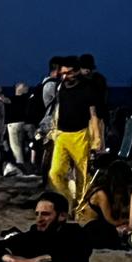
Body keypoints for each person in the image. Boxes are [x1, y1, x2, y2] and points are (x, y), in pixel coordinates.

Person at [47, 57, 100, 205]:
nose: (65, 76)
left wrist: (97, 138)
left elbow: (93, 115)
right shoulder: (60, 87)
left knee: (82, 175)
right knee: (55, 173)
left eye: (68, 73)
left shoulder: (87, 88)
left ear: (77, 72)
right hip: (62, 135)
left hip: (80, 135)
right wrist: (53, 129)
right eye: (62, 73)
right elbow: (57, 109)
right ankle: (69, 202)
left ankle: (81, 207)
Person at [76, 159, 132, 249]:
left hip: (102, 227)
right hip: (92, 229)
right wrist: (129, 221)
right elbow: (111, 221)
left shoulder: (115, 192)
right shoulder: (101, 194)